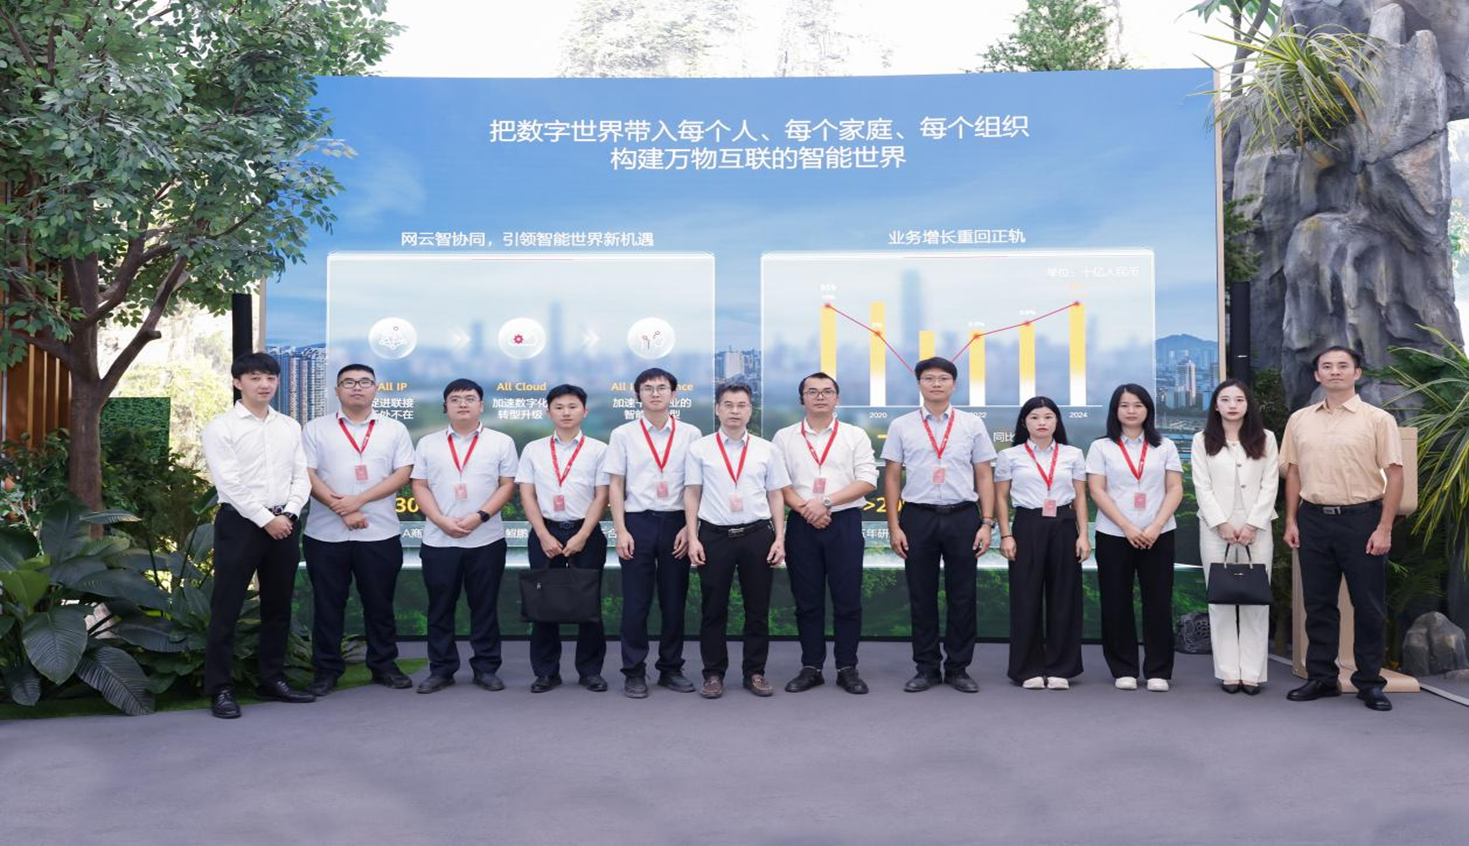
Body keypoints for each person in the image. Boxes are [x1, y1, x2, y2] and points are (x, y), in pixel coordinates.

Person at [1281, 346, 1404, 712]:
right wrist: (1291, 520)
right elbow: (1293, 473)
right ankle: (1321, 677)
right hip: (1313, 519)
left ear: (1357, 373)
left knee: (1368, 605)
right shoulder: (1300, 420)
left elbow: (1395, 475)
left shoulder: (1378, 419)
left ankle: (1370, 682)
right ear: (1317, 375)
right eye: (1327, 366)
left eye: (1342, 366)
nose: (1334, 371)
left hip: (1362, 520)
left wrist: (1384, 528)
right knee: (1318, 604)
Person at [200, 352, 314, 719]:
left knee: (278, 606)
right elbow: (229, 484)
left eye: (270, 378)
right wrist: (266, 519)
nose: (264, 384)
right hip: (240, 524)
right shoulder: (221, 427)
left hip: (284, 523)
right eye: (254, 378)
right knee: (226, 608)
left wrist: (290, 513)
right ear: (238, 383)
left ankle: (272, 680)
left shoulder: (289, 426)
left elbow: (301, 475)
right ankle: (220, 689)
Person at [882, 357, 998, 694]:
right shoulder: (901, 425)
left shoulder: (971, 424)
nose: (936, 384)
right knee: (921, 595)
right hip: (918, 517)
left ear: (954, 384)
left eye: (943, 378)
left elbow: (984, 475)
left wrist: (986, 522)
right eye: (929, 378)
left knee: (963, 595)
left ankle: (959, 668)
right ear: (919, 383)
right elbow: (892, 476)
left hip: (963, 517)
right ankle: (927, 668)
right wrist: (894, 526)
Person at [300, 364, 415, 696]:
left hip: (379, 533)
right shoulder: (315, 428)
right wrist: (343, 509)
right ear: (337, 390)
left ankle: (384, 664)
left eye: (365, 382)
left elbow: (402, 473)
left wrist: (357, 502)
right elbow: (306, 473)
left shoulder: (394, 429)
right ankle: (326, 670)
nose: (357, 387)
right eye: (348, 382)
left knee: (380, 603)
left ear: (375, 389)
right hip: (325, 533)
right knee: (327, 604)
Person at [410, 379, 518, 694]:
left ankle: (486, 668)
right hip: (438, 539)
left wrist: (480, 516)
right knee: (440, 607)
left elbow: (507, 485)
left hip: (485, 539)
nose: (462, 404)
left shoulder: (501, 442)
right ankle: (441, 669)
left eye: (470, 398)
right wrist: (440, 520)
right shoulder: (428, 443)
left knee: (484, 606)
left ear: (481, 405)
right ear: (445, 407)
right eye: (455, 399)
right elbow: (419, 485)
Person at [772, 372, 878, 695]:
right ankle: (811, 667)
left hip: (844, 522)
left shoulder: (854, 435)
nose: (820, 396)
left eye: (827, 391)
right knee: (807, 601)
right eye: (812, 391)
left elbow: (868, 479)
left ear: (837, 398)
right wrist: (808, 510)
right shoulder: (784, 437)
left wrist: (826, 502)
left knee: (848, 600)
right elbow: (778, 483)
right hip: (802, 524)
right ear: (802, 398)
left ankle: (847, 667)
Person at [684, 382, 790, 699]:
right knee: (713, 609)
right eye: (728, 405)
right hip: (714, 536)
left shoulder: (766, 449)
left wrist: (780, 538)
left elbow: (776, 495)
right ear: (717, 409)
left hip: (757, 535)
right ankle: (713, 674)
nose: (734, 411)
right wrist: (693, 537)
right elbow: (692, 494)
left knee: (757, 608)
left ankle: (755, 672)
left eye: (741, 405)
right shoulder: (700, 449)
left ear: (750, 410)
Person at [605, 368, 702, 698]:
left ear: (674, 394)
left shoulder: (690, 433)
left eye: (662, 388)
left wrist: (690, 527)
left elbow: (695, 485)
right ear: (638, 395)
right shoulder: (623, 434)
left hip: (677, 524)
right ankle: (634, 671)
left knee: (674, 602)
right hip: (637, 523)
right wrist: (621, 530)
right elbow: (615, 484)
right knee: (636, 603)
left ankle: (671, 668)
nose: (655, 393)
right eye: (648, 388)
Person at [1086, 384, 1184, 692]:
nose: (1131, 410)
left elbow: (1175, 489)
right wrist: (1127, 526)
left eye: (1138, 405)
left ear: (1148, 410)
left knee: (1159, 602)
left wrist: (1155, 525)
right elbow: (1097, 490)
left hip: (1159, 534)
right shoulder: (1101, 447)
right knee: (1116, 601)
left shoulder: (1165, 446)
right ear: (1115, 410)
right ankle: (1123, 668)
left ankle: (1158, 670)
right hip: (1114, 534)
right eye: (1125, 405)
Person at [517, 384, 610, 693]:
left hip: (586, 532)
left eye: (572, 406)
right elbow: (527, 494)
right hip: (546, 531)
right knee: (543, 603)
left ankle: (590, 671)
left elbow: (602, 496)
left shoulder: (598, 449)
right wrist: (543, 534)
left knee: (588, 603)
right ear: (549, 412)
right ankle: (546, 672)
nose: (566, 412)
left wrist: (583, 535)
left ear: (585, 411)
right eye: (559, 407)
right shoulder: (533, 449)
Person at [994, 396, 1090, 690]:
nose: (1042, 423)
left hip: (1063, 526)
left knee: (1065, 597)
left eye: (1048, 417)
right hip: (1027, 526)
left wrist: (1083, 535)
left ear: (1057, 421)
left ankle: (1061, 667)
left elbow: (1080, 497)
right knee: (1026, 598)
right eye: (1035, 417)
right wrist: (1006, 535)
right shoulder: (1010, 456)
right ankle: (1027, 669)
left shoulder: (1073, 454)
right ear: (1024, 422)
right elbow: (1000, 497)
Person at [1191, 379, 1278, 695]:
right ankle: (1229, 671)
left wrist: (1253, 524)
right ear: (1215, 405)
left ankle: (1252, 673)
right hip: (1216, 529)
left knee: (1256, 598)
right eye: (1225, 399)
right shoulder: (1202, 440)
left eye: (1239, 399)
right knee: (1221, 598)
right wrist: (1221, 524)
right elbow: (1201, 485)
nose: (1232, 405)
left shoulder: (1266, 438)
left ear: (1248, 405)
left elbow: (1270, 484)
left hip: (1258, 528)